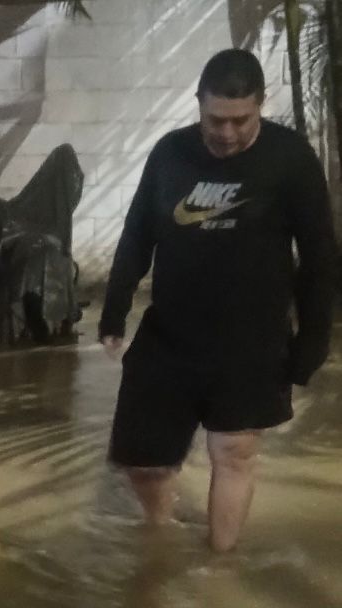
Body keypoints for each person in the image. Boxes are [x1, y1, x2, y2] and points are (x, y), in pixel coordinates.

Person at [100, 48, 337, 552]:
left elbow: (318, 256)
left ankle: (218, 568)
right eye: (215, 119)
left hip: (251, 340)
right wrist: (114, 310)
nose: (227, 132)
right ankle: (161, 533)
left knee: (234, 453)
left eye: (240, 120)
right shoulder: (169, 154)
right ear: (198, 105)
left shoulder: (290, 157)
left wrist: (313, 343)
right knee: (139, 460)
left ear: (260, 106)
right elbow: (138, 234)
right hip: (170, 334)